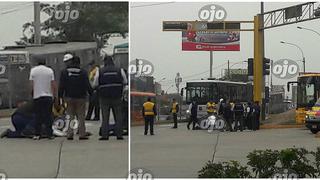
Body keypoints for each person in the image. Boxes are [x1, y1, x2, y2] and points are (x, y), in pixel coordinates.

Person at [93, 56, 127, 140]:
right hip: (117, 96)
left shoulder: (100, 71)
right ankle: (119, 135)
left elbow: (95, 83)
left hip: (104, 97)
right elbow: (125, 81)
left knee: (105, 117)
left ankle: (105, 135)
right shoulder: (120, 70)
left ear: (104, 62)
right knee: (118, 116)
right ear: (113, 61)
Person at [58, 55, 93, 140]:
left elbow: (61, 85)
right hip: (81, 97)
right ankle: (82, 134)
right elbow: (87, 85)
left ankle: (69, 134)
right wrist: (91, 93)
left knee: (70, 116)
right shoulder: (83, 72)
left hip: (69, 97)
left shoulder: (64, 72)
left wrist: (60, 96)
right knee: (81, 116)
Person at [29, 56, 56, 140]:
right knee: (48, 115)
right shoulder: (49, 71)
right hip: (48, 96)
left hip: (37, 96)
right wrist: (55, 95)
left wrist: (31, 93)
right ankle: (49, 134)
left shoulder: (33, 70)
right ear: (45, 62)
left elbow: (31, 84)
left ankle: (37, 134)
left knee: (38, 115)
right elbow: (53, 84)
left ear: (38, 62)